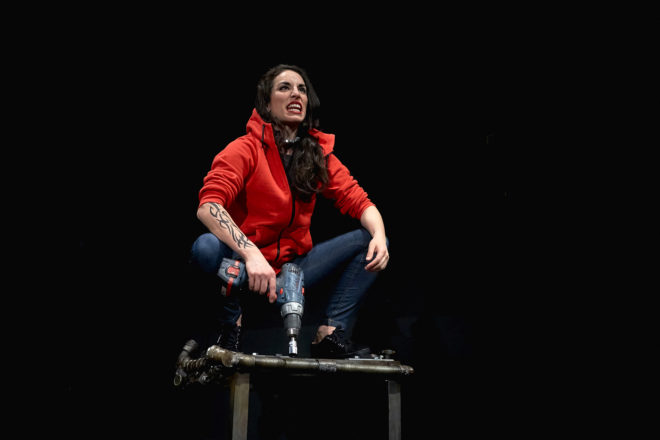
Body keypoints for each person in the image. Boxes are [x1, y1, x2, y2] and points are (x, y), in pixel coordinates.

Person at [190, 64, 389, 358]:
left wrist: (380, 234)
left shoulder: (316, 154)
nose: (296, 94)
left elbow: (360, 202)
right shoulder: (244, 149)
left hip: (293, 269)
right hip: (245, 265)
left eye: (302, 89)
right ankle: (231, 326)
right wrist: (250, 253)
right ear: (267, 103)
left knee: (370, 241)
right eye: (285, 88)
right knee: (205, 248)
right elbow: (209, 206)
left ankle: (330, 334)